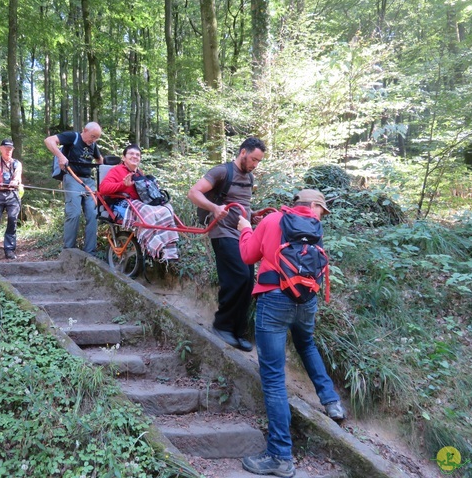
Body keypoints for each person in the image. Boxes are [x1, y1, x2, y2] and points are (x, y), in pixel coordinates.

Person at [237, 189, 345, 477]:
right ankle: (331, 401)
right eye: (321, 208)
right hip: (306, 300)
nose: (321, 214)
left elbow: (248, 256)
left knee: (273, 379)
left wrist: (246, 229)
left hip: (273, 299)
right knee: (306, 344)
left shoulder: (272, 221)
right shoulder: (316, 228)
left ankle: (280, 456)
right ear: (310, 206)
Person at [187, 137, 266, 352]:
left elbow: (243, 204)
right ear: (243, 152)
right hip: (221, 231)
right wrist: (213, 207)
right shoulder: (222, 172)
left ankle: (237, 331)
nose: (255, 165)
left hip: (242, 233)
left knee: (249, 281)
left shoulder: (249, 177)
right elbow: (193, 192)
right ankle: (222, 325)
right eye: (253, 159)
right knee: (238, 275)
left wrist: (253, 215)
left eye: (258, 161)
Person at [99, 144, 179, 261]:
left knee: (166, 208)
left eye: (137, 155)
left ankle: (168, 249)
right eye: (131, 154)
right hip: (119, 203)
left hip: (136, 203)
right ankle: (154, 246)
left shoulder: (139, 173)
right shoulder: (116, 170)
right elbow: (103, 188)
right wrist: (122, 185)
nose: (135, 156)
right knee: (146, 212)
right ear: (124, 158)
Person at [44, 122, 103, 254]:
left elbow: (100, 161)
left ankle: (90, 252)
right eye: (92, 136)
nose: (93, 140)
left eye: (96, 138)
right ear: (85, 130)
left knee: (94, 214)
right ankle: (69, 251)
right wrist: (60, 156)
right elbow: (49, 140)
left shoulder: (93, 144)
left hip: (88, 182)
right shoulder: (73, 137)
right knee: (74, 213)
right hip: (72, 178)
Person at [0, 139, 23, 260]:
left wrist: (15, 181)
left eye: (10, 149)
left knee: (12, 220)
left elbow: (17, 178)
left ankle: (10, 250)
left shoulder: (17, 163)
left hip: (12, 194)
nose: (8, 151)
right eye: (6, 148)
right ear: (0, 148)